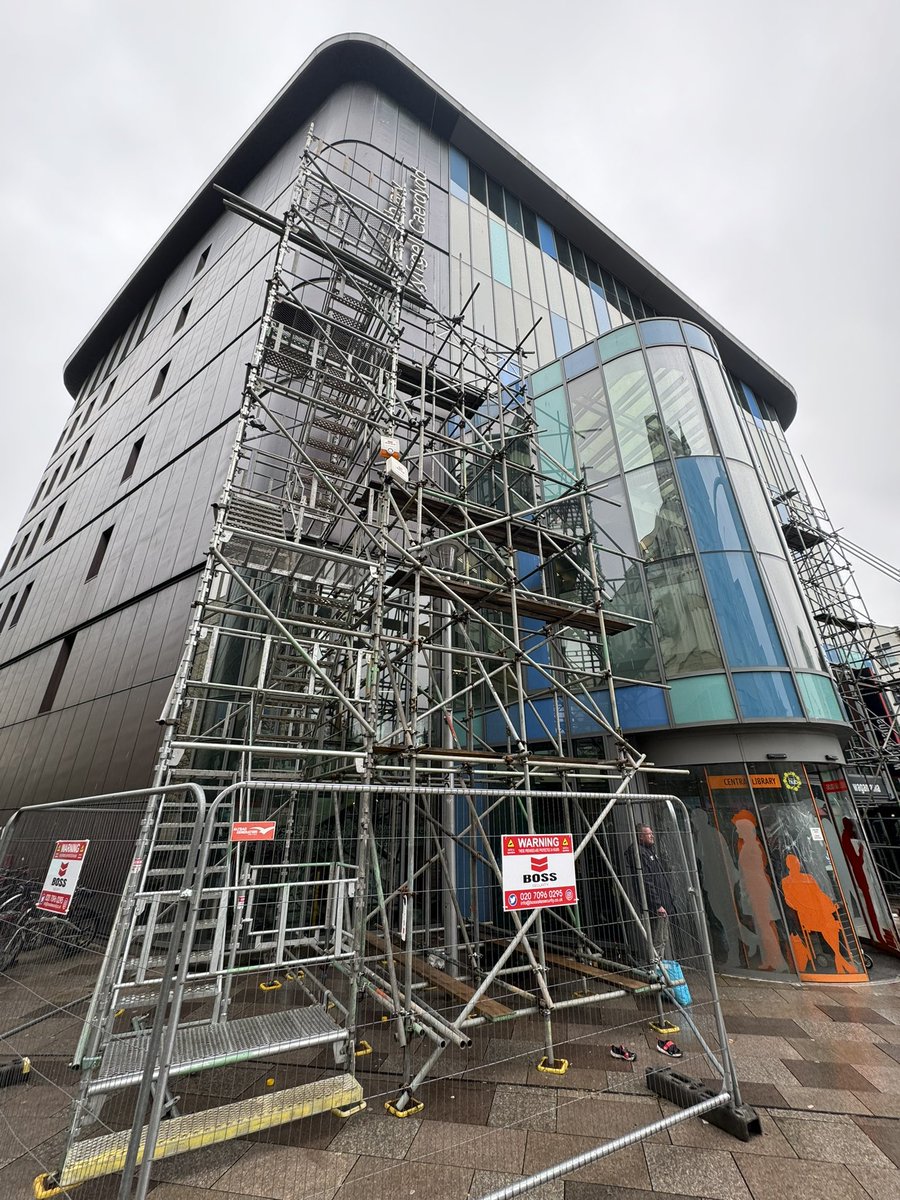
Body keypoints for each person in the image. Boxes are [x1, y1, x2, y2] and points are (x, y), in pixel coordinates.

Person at [617, 822, 684, 1060]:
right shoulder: (639, 854)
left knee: (661, 941)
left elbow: (658, 879)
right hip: (655, 906)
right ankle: (656, 974)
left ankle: (658, 973)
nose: (652, 836)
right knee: (657, 942)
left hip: (661, 903)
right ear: (639, 836)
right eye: (648, 834)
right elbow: (646, 883)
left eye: (652, 833)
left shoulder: (651, 853)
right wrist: (657, 903)